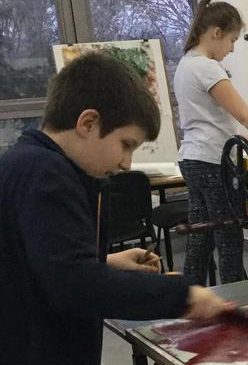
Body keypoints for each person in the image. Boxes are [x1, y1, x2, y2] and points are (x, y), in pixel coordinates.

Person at [0, 53, 235, 364]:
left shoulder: (25, 162)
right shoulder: (46, 174)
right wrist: (184, 296)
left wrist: (106, 262)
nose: (126, 163)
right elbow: (76, 286)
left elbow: (37, 261)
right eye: (126, 144)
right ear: (88, 123)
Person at [174, 0, 248, 285]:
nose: (231, 49)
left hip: (192, 158)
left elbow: (212, 118)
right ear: (216, 32)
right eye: (232, 40)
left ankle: (188, 298)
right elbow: (244, 115)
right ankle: (235, 301)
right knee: (229, 237)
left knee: (201, 237)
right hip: (212, 161)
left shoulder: (185, 64)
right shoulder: (207, 68)